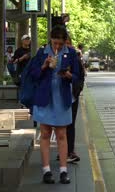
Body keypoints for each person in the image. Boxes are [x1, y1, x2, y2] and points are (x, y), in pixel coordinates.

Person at [29, 26, 80, 184]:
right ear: (50, 39)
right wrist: (44, 66)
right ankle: (46, 171)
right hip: (44, 97)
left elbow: (78, 76)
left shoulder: (71, 53)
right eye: (54, 43)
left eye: (60, 43)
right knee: (44, 134)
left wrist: (69, 75)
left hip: (62, 97)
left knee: (61, 134)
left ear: (65, 41)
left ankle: (64, 171)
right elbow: (34, 74)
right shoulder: (42, 52)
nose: (57, 47)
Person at [59, 36, 85, 163]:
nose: (68, 46)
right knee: (60, 125)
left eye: (69, 43)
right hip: (59, 96)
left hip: (72, 96)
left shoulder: (75, 58)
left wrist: (71, 77)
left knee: (70, 124)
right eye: (65, 43)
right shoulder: (57, 57)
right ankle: (64, 151)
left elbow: (80, 77)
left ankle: (70, 151)